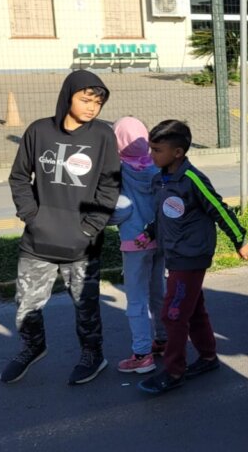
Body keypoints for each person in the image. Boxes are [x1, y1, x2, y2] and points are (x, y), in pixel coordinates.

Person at [1, 70, 121, 385]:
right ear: (67, 96)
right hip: (38, 240)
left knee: (86, 307)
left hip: (82, 244)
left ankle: (93, 354)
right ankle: (33, 347)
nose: (92, 107)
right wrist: (32, 216)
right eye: (85, 99)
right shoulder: (38, 131)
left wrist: (90, 227)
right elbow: (18, 177)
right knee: (26, 304)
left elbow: (110, 187)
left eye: (98, 101)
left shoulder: (103, 136)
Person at [137, 120, 248, 394]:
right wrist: (151, 232)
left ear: (178, 152)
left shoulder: (192, 180)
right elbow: (163, 215)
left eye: (157, 150)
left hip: (190, 255)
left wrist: (240, 239)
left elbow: (219, 209)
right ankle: (208, 357)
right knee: (194, 309)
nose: (151, 155)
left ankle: (173, 371)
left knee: (173, 314)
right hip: (175, 254)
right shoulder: (161, 179)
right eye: (150, 148)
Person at [109, 116, 167, 374]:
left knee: (135, 300)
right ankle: (163, 340)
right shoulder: (157, 165)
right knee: (158, 292)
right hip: (160, 239)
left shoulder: (119, 169)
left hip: (134, 244)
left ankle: (142, 353)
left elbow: (119, 210)